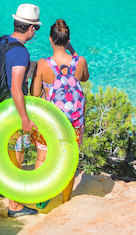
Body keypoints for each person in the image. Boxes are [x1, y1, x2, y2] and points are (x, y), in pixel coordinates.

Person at [0, 3, 42, 217]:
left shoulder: (3, 41)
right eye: (37, 28)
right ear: (31, 29)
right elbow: (17, 88)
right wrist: (24, 118)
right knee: (17, 153)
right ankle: (14, 206)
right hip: (11, 110)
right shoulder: (21, 53)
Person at [31, 19, 89, 205]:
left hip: (50, 122)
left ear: (50, 39)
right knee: (69, 162)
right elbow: (85, 78)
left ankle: (42, 197)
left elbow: (35, 93)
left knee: (42, 158)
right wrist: (74, 52)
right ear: (68, 39)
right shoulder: (79, 61)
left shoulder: (43, 64)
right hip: (73, 122)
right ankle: (65, 200)